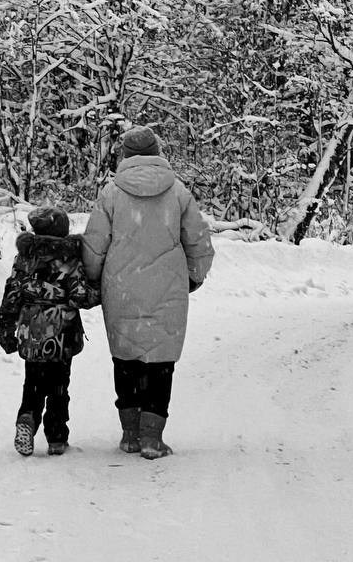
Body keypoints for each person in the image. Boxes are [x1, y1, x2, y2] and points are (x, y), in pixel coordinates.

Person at [83, 125, 213, 459]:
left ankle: (130, 434)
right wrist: (194, 277)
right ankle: (152, 438)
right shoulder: (178, 192)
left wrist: (94, 280)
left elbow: (94, 245)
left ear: (124, 155)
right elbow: (198, 240)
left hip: (121, 288)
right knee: (160, 362)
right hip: (168, 288)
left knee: (126, 359)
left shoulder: (111, 193)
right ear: (157, 152)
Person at [0, 204, 100, 457]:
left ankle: (27, 418)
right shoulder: (70, 260)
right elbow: (80, 297)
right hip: (61, 334)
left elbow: (12, 294)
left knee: (32, 382)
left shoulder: (24, 258)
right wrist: (99, 292)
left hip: (31, 332)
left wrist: (6, 328)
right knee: (58, 387)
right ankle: (56, 437)